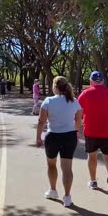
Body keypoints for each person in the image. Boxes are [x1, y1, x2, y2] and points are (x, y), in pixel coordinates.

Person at [36, 76, 83, 207]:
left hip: (53, 137)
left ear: (55, 87)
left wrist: (38, 137)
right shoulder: (74, 101)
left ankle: (53, 190)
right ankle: (67, 197)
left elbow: (41, 121)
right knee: (67, 168)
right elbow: (79, 119)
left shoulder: (48, 101)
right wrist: (75, 131)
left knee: (52, 165)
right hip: (69, 137)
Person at [78, 71, 108, 196]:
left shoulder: (85, 93)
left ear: (91, 81)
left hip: (90, 131)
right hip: (107, 131)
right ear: (102, 81)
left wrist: (80, 121)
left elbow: (78, 111)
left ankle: (93, 181)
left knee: (92, 157)